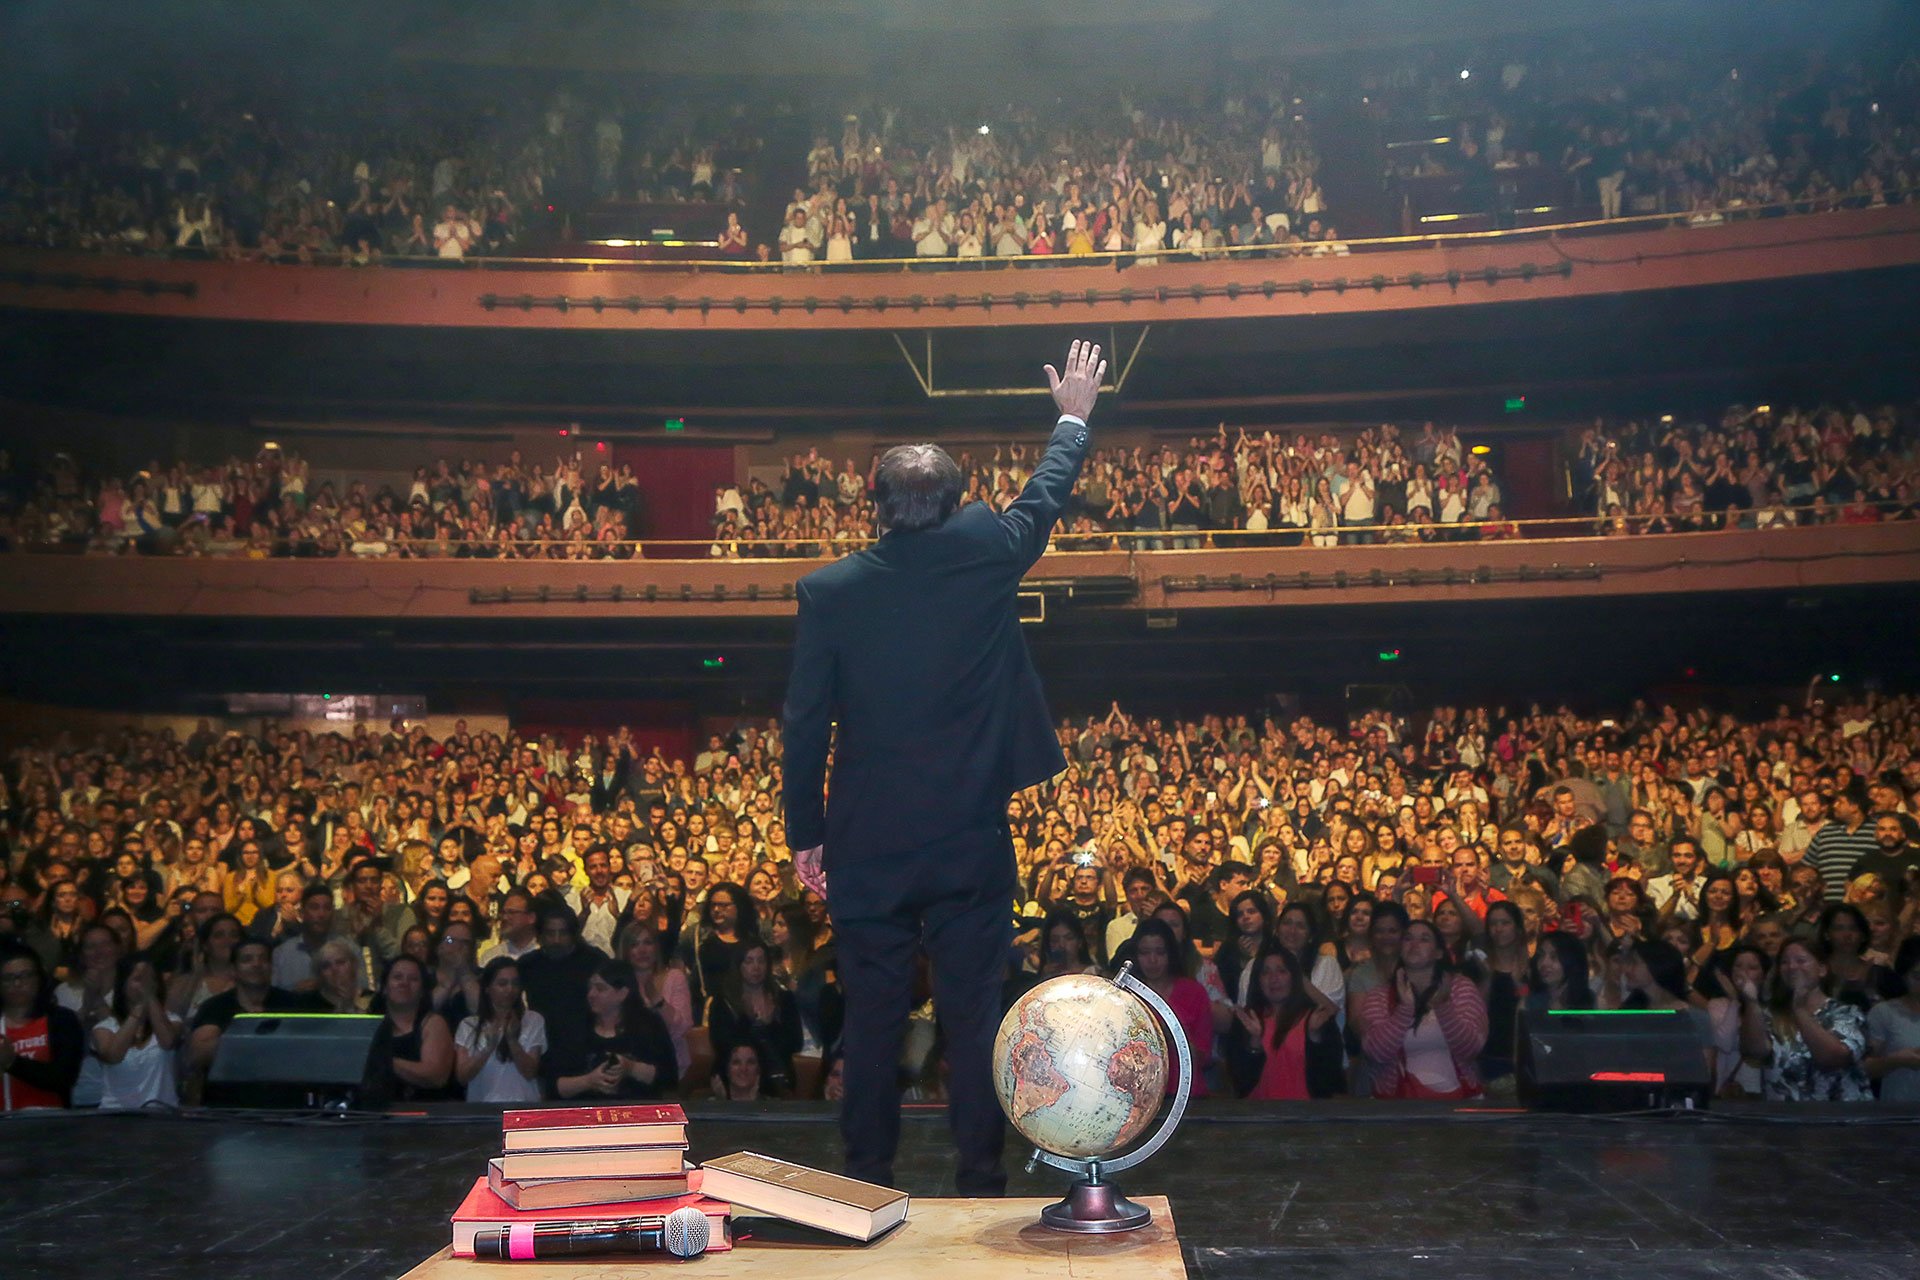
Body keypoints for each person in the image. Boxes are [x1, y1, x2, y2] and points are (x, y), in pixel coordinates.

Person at [782, 339, 1105, 1194]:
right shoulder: (986, 554)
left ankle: (866, 1179)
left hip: (867, 843)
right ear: (959, 502)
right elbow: (1041, 499)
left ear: (874, 505)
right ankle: (978, 1181)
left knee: (876, 1022)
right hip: (966, 840)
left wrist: (805, 836)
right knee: (972, 1020)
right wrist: (1071, 419)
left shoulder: (829, 592)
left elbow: (804, 724)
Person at [1358, 919, 1489, 1098]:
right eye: (1408, 939)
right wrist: (1404, 1011)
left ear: (1438, 953)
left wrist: (1443, 1007)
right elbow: (1376, 1053)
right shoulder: (1379, 996)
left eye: (1424, 939)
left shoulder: (1461, 988)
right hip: (1398, 1104)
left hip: (1460, 1102)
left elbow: (1471, 1048)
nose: (1414, 944)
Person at [1737, 938, 1870, 1102]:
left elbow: (1834, 1058)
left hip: (1838, 1120)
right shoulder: (1771, 1014)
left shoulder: (1847, 1012)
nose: (1792, 967)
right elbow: (1754, 1052)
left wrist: (1799, 1010)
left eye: (1801, 961)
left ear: (1822, 969)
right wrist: (1751, 1002)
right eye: (1785, 962)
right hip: (1784, 1121)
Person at [547, 960, 679, 1101]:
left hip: (637, 1112)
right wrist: (589, 1081)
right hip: (585, 1112)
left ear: (622, 993)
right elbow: (553, 1086)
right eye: (590, 987)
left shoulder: (648, 1025)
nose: (591, 994)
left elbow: (669, 1079)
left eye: (600, 988)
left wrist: (631, 1068)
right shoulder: (574, 1026)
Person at [1225, 945, 1342, 1099]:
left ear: (1294, 977)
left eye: (1281, 971)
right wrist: (1254, 1044)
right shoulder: (1246, 1019)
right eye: (1266, 972)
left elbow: (1329, 1082)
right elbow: (1240, 1083)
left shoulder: (1318, 1018)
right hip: (1257, 1117)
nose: (1274, 978)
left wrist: (1315, 1039)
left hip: (1306, 1117)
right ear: (1257, 980)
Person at [1126, 918, 1214, 1097]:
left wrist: (1173, 1038)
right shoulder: (1127, 995)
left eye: (1160, 952)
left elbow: (1204, 1057)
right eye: (1145, 952)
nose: (1153, 960)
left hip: (1187, 1094)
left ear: (1171, 954)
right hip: (1139, 1097)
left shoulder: (1194, 992)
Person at [706, 940, 803, 1097]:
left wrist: (770, 1025)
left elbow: (796, 1043)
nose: (756, 967)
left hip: (777, 1078)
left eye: (761, 961)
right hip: (736, 1077)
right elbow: (722, 1044)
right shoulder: (722, 1002)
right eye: (749, 961)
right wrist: (747, 1020)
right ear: (739, 965)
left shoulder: (784, 999)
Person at [92, 956, 184, 1110]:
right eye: (138, 979)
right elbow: (113, 1056)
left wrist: (149, 998)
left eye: (151, 979)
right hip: (116, 1117)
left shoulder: (172, 1020)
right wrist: (138, 1010)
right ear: (123, 984)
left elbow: (168, 1042)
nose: (146, 985)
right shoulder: (104, 1027)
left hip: (162, 1116)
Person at [1, 942, 84, 1110]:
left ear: (39, 978)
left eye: (25, 976)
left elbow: (64, 1078)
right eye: (8, 978)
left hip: (49, 1127)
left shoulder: (61, 1020)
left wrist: (12, 1063)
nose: (17, 984)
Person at [453, 956, 546, 1103]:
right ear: (488, 988)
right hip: (483, 1111)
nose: (510, 989)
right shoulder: (468, 1025)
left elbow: (530, 1072)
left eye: (515, 983)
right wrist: (488, 1047)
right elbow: (462, 1076)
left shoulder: (533, 1020)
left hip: (523, 1109)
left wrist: (512, 1041)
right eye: (502, 984)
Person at [369, 954, 454, 1102]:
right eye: (397, 977)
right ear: (384, 988)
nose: (404, 983)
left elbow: (435, 1075)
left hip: (425, 1115)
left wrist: (383, 1060)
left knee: (508, 1125)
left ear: (422, 991)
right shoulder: (369, 1023)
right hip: (374, 1114)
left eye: (413, 979)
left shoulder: (433, 1023)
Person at [1864, 936, 1920, 1103]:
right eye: (1917, 976)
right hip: (1899, 1113)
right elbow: (1865, 1068)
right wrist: (1896, 1060)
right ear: (1904, 975)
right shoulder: (1884, 1013)